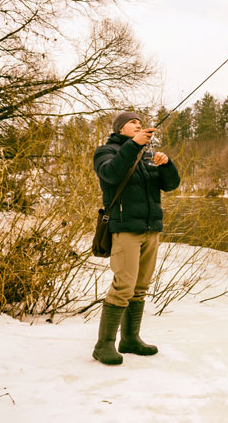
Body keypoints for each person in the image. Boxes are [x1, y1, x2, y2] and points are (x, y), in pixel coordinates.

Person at [91, 111, 181, 365]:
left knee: (140, 288)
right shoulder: (105, 152)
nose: (139, 126)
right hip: (125, 229)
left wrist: (166, 164)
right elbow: (111, 174)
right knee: (124, 286)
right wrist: (133, 146)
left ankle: (130, 340)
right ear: (120, 129)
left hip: (150, 229)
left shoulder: (148, 156)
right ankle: (103, 346)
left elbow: (171, 185)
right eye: (133, 123)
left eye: (141, 124)